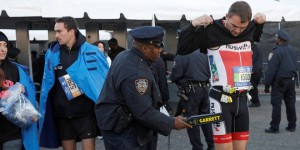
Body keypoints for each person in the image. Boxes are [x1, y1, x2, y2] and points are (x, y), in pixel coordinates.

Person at [177, 1, 266, 150]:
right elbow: (183, 49)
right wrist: (193, 24)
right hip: (220, 100)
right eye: (234, 26)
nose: (237, 31)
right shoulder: (211, 29)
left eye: (241, 28)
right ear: (226, 17)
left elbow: (256, 34)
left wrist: (261, 21)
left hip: (243, 99)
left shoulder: (250, 28)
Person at [95, 26, 192, 150]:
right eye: (157, 47)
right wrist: (171, 122)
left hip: (118, 122)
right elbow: (143, 111)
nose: (160, 50)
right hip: (122, 129)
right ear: (145, 48)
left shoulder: (126, 55)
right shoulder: (136, 73)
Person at [39, 16, 109, 150]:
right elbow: (46, 84)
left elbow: (105, 80)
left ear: (71, 31)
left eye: (60, 31)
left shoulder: (92, 52)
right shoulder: (52, 54)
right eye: (55, 31)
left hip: (86, 113)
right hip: (62, 114)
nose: (56, 35)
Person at [0, 31, 39, 150]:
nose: (3, 49)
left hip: (12, 132)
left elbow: (28, 99)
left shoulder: (16, 70)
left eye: (5, 45)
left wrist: (22, 91)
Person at [170, 50, 214, 150]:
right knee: (206, 118)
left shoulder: (182, 53)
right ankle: (212, 145)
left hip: (191, 91)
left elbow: (176, 74)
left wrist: (172, 77)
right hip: (204, 88)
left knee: (191, 119)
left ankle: (197, 147)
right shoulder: (203, 52)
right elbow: (210, 70)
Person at [264, 29, 297, 133]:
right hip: (291, 81)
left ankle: (274, 127)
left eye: (276, 38)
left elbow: (271, 70)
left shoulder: (276, 52)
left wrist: (267, 85)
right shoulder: (292, 50)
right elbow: (295, 66)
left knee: (276, 104)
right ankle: (292, 125)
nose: (275, 39)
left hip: (279, 82)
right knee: (290, 103)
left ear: (279, 39)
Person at [248, 43, 263, 107]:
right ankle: (255, 101)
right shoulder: (255, 47)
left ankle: (256, 102)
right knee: (252, 87)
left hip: (255, 71)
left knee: (252, 87)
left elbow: (251, 58)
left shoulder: (254, 48)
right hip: (256, 70)